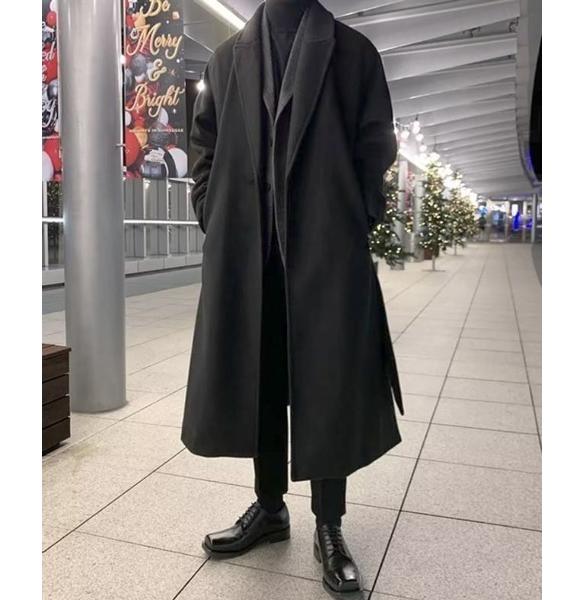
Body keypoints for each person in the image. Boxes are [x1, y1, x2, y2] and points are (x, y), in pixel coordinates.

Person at [181, 0, 404, 594]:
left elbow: (375, 146)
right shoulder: (227, 60)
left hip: (325, 255)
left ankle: (329, 525)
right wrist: (213, 213)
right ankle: (270, 507)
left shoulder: (353, 53)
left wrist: (353, 218)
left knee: (326, 384)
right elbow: (203, 145)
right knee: (259, 381)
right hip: (248, 255)